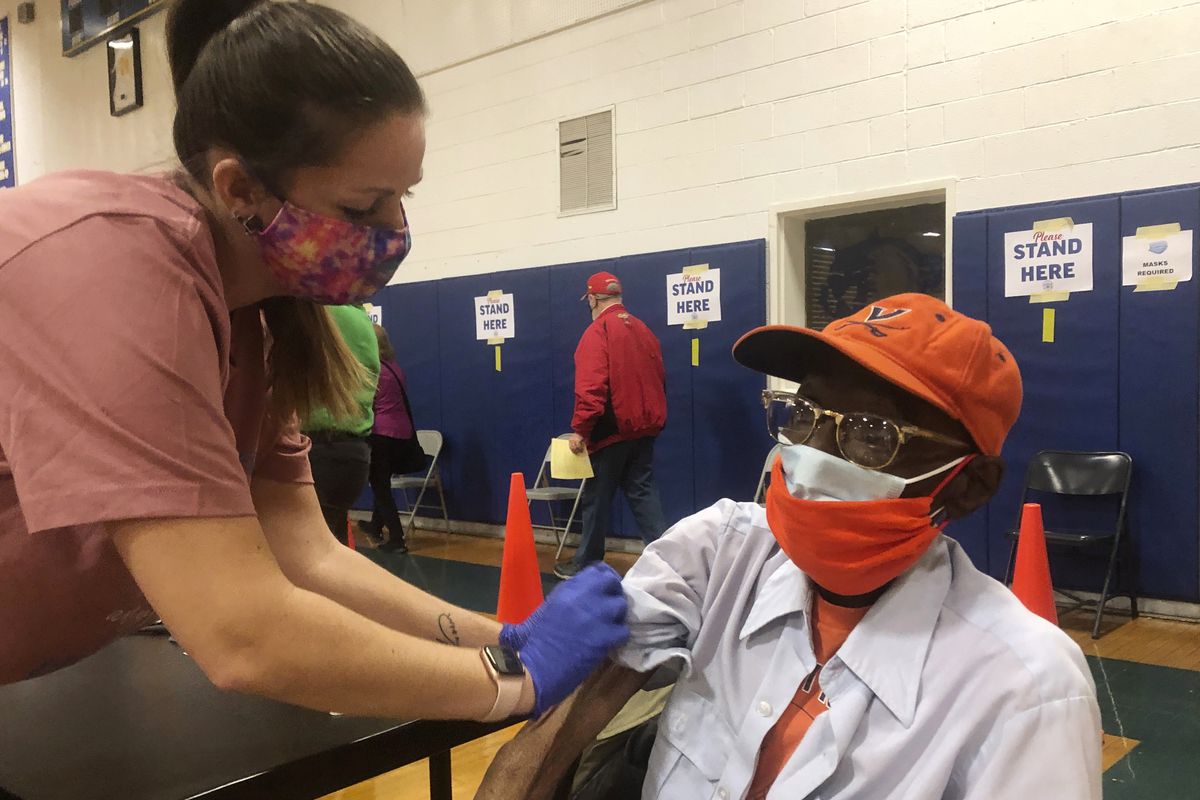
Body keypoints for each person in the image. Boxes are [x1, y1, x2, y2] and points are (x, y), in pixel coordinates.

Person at [0, 0, 628, 727]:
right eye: (364, 207)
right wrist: (515, 683)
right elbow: (241, 633)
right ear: (238, 189)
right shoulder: (114, 269)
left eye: (403, 197)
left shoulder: (259, 323)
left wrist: (508, 642)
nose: (395, 231)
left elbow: (307, 553)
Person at [477, 294, 1102, 799]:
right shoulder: (722, 552)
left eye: (870, 434)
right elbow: (589, 691)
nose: (812, 455)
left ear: (968, 485)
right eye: (800, 416)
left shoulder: (1025, 688)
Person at [556, 272, 668, 580]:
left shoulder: (597, 332)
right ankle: (671, 560)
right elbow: (659, 379)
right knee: (643, 493)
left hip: (611, 430)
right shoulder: (645, 331)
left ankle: (586, 563)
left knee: (596, 498)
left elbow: (591, 388)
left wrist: (582, 429)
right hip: (644, 427)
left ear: (592, 299)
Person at [302, 304, 379, 545]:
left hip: (318, 448)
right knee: (332, 545)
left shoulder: (313, 312)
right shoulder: (361, 319)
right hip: (353, 452)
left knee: (312, 550)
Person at [367, 323, 426, 553]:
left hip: (381, 434)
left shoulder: (373, 370)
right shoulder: (395, 368)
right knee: (382, 482)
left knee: (380, 486)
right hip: (403, 434)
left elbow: (367, 402)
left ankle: (397, 538)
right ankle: (374, 526)